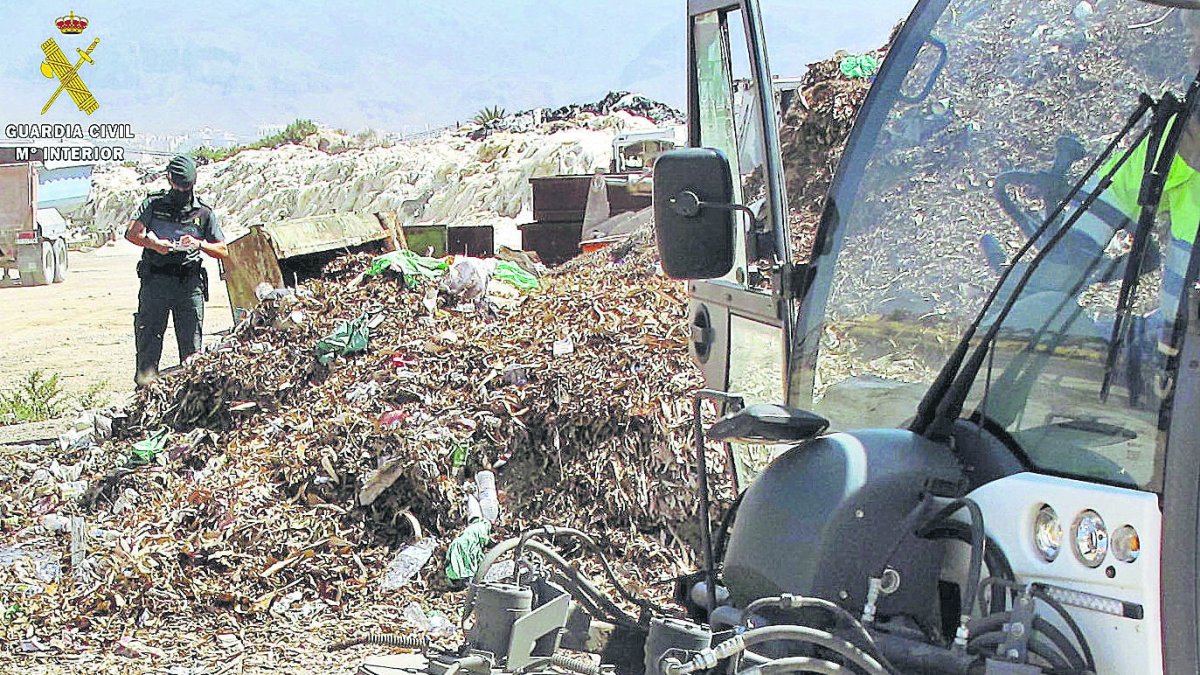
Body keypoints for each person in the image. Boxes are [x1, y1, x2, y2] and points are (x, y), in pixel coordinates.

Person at [123, 155, 228, 386]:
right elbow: (132, 233)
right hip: (156, 282)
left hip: (188, 284)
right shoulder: (153, 205)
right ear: (169, 180)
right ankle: (144, 395)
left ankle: (191, 397)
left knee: (192, 351)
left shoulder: (203, 212)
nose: (181, 190)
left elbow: (222, 250)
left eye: (186, 186)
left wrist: (199, 244)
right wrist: (155, 244)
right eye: (178, 185)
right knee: (149, 342)